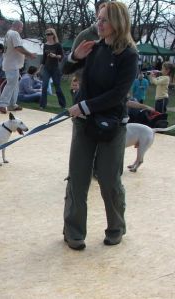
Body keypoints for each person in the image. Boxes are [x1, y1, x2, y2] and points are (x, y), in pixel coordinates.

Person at [62, 2, 138, 250]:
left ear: (117, 22)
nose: (99, 24)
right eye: (98, 19)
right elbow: (65, 69)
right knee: (78, 177)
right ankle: (73, 232)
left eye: (104, 19)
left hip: (112, 125)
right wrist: (75, 56)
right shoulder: (92, 47)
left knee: (108, 179)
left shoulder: (128, 54)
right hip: (84, 124)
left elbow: (118, 94)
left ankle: (116, 227)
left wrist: (84, 106)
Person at [0, 20, 36, 114]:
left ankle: (12, 104)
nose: (21, 30)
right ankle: (2, 104)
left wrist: (24, 55)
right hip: (12, 64)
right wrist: (30, 54)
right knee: (11, 84)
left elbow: (15, 49)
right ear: (19, 27)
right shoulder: (14, 33)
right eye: (21, 28)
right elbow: (18, 47)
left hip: (11, 63)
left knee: (15, 85)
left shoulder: (8, 34)